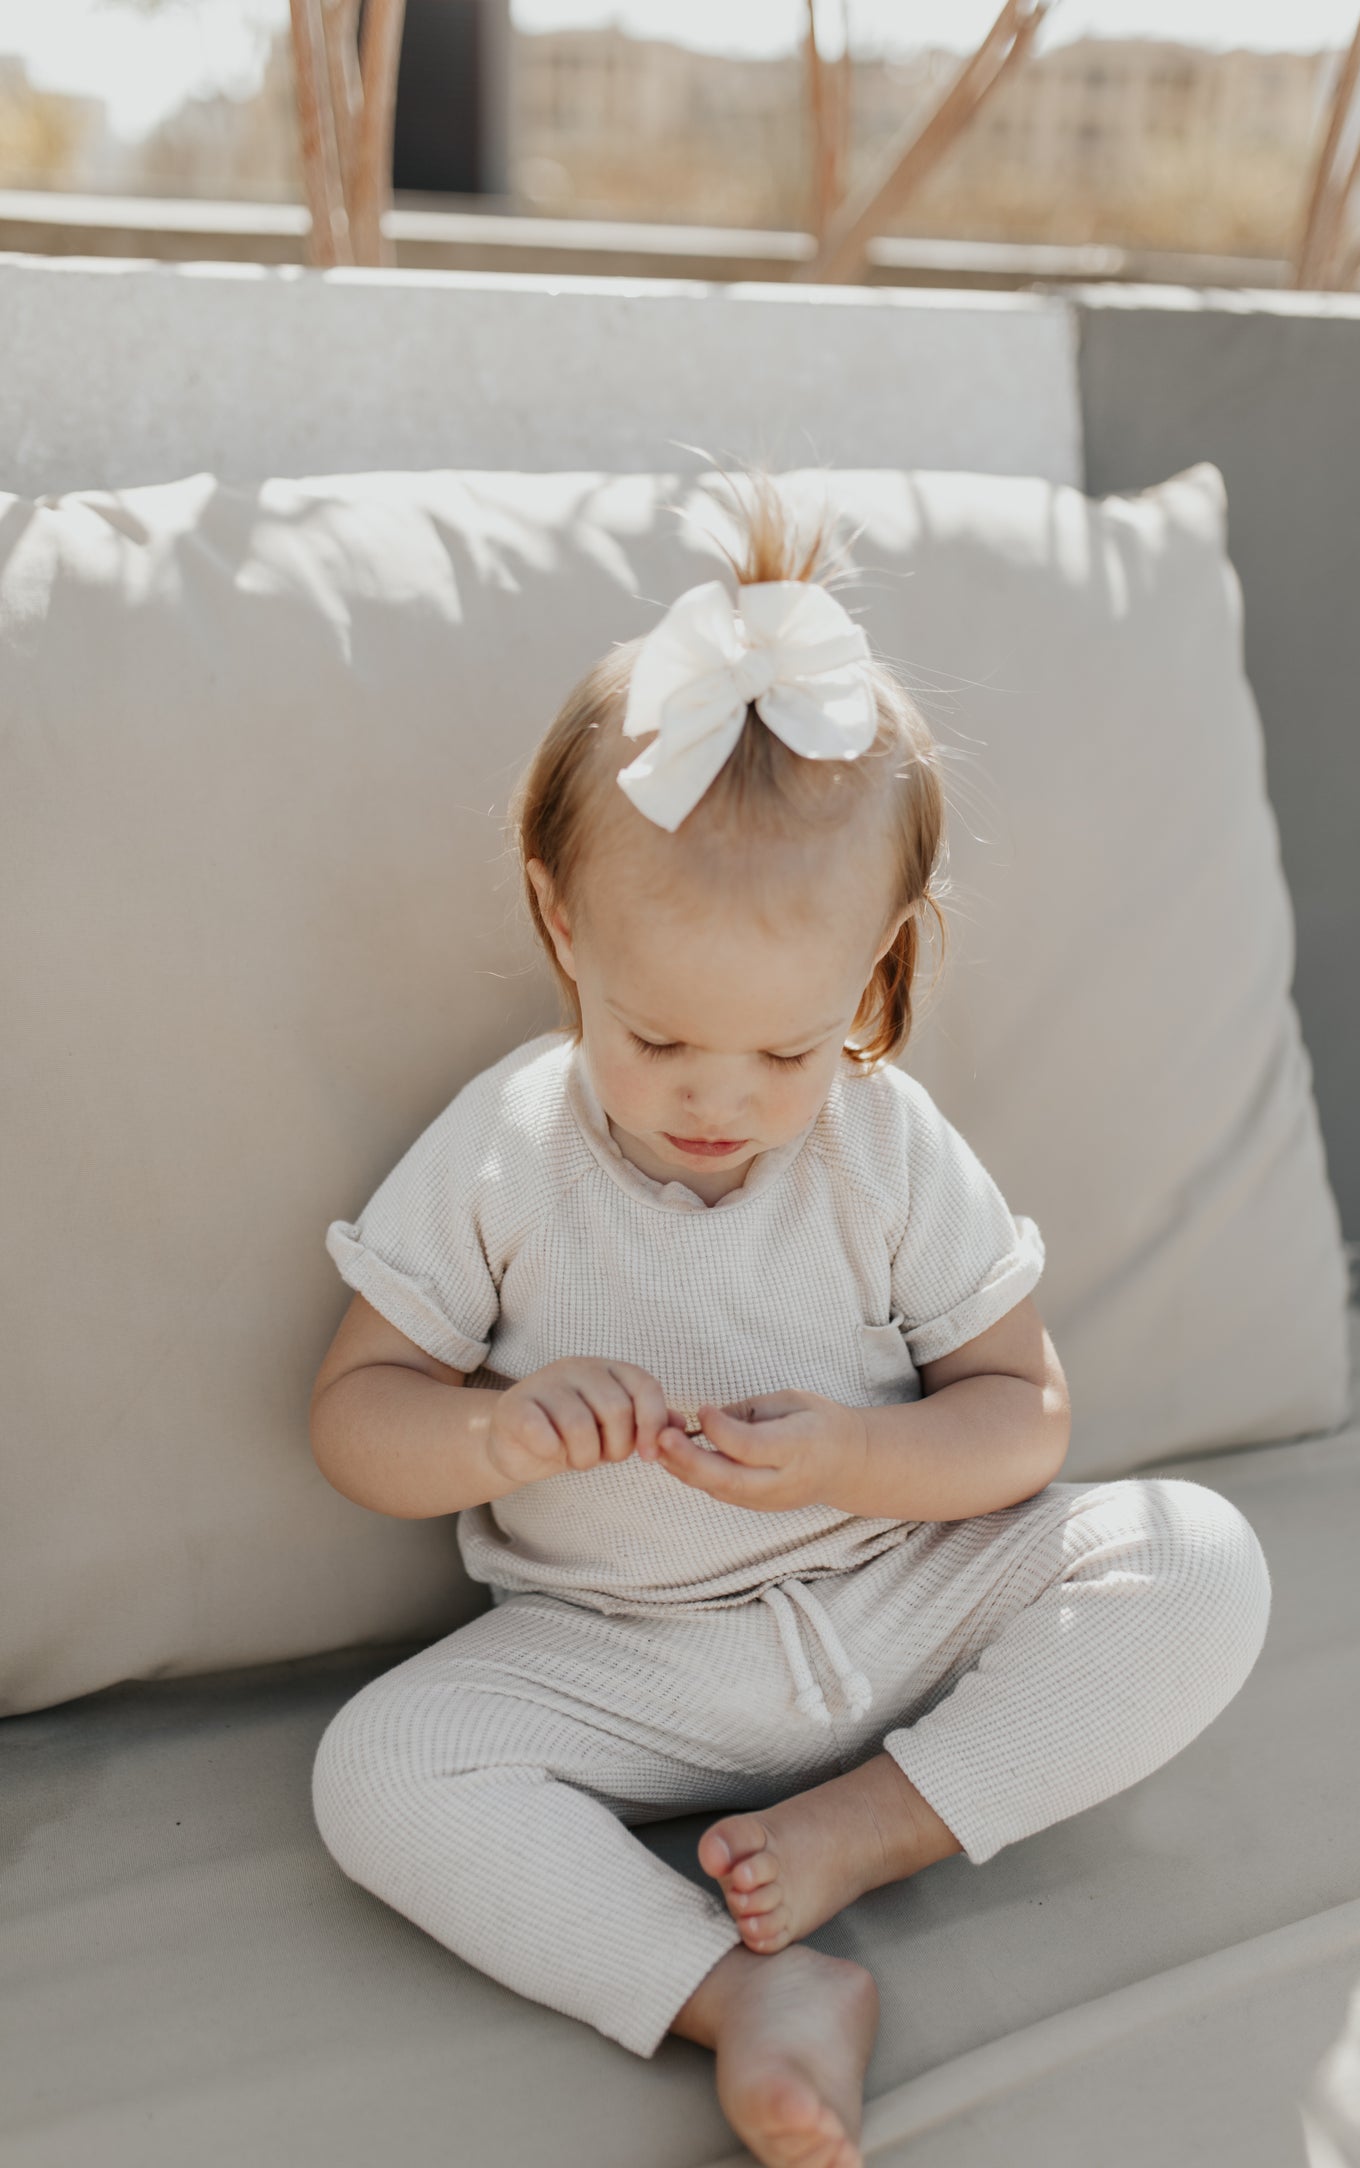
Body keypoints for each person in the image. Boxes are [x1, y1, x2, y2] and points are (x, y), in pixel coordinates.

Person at [308, 464, 1272, 2168]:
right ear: (558, 921)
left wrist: (859, 1453)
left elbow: (1021, 1414)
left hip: (897, 1610)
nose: (716, 1098)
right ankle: (741, 1992)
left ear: (881, 970)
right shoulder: (508, 1148)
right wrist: (486, 1434)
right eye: (656, 1034)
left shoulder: (887, 1146)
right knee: (377, 1771)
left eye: (782, 1048)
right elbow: (355, 1409)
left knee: (1197, 1558)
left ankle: (863, 1829)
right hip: (622, 1658)